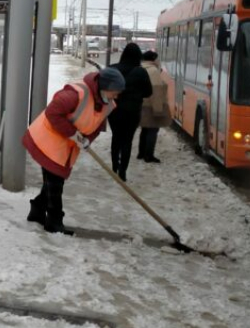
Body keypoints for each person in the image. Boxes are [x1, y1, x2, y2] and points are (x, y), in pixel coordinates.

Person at [23, 67, 126, 234]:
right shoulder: (76, 93)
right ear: (104, 87)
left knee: (52, 181)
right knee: (55, 183)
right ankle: (54, 223)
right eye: (114, 92)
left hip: (66, 147)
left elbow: (98, 126)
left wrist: (87, 140)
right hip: (48, 140)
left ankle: (37, 211)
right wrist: (73, 134)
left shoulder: (107, 104)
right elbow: (53, 113)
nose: (116, 96)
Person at [108, 42, 153, 182]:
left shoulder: (113, 69)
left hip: (114, 110)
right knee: (127, 140)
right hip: (132, 112)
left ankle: (114, 166)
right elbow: (148, 92)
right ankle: (123, 171)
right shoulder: (141, 71)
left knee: (116, 137)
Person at [138, 51, 172, 163]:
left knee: (144, 129)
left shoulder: (140, 68)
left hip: (141, 103)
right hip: (150, 105)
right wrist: (158, 110)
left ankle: (141, 153)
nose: (158, 61)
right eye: (157, 59)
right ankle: (149, 155)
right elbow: (156, 91)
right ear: (153, 59)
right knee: (152, 129)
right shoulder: (153, 71)